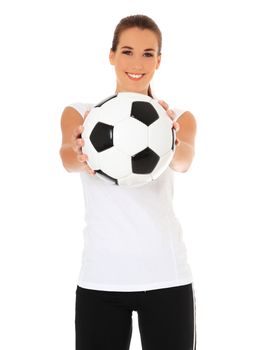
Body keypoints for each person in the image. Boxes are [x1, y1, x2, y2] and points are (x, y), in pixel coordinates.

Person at [60, 14, 197, 350]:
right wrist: (79, 153)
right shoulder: (81, 114)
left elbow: (184, 161)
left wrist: (172, 141)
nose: (137, 63)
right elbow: (66, 156)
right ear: (111, 55)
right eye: (127, 51)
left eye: (148, 53)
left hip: (167, 278)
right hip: (101, 280)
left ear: (159, 61)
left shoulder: (177, 119)